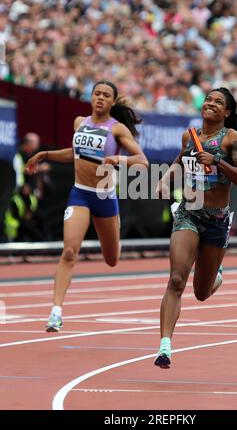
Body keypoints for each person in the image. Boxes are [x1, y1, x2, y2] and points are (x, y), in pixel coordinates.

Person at [25, 80, 148, 332]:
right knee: (69, 252)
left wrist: (118, 159)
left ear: (112, 102)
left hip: (104, 197)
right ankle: (56, 311)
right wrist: (44, 154)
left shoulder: (118, 130)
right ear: (91, 98)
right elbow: (74, 153)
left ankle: (113, 231)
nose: (100, 98)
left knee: (112, 259)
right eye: (96, 94)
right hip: (80, 193)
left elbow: (142, 161)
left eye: (105, 95)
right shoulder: (80, 122)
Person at [154, 87, 237, 368]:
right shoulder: (190, 135)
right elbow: (179, 161)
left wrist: (219, 162)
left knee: (201, 292)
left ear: (227, 112)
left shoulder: (233, 139)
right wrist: (164, 180)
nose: (210, 103)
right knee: (176, 280)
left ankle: (216, 274)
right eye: (208, 99)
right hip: (190, 212)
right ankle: (164, 347)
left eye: (218, 101)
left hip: (217, 220)